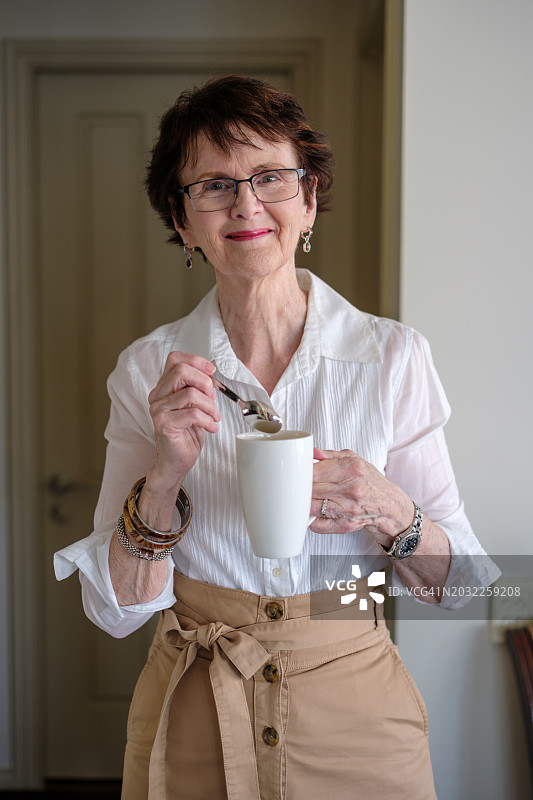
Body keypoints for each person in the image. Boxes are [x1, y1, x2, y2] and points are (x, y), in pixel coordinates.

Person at [54, 75, 500, 800]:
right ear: (182, 219)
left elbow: (477, 587)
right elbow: (115, 611)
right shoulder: (146, 370)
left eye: (270, 177)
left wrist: (389, 506)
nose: (246, 204)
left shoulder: (393, 357)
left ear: (309, 199)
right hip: (195, 703)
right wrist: (165, 477)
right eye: (214, 185)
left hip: (357, 713)